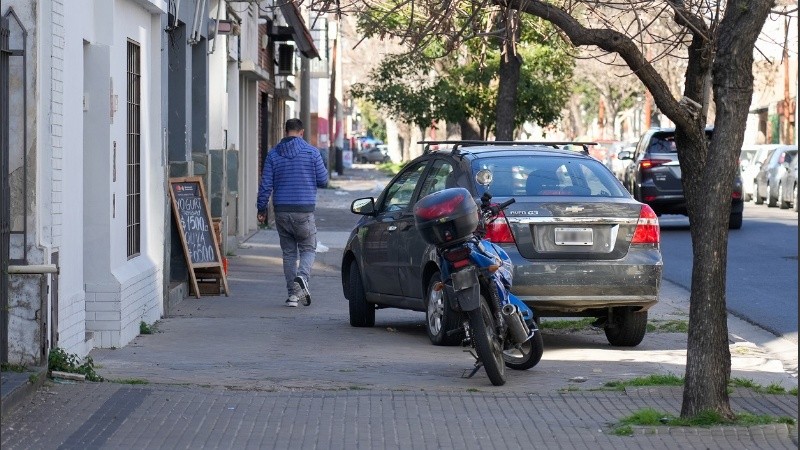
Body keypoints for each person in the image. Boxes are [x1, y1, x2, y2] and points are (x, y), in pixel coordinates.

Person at [257, 119, 328, 307]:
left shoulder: (273, 155)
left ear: (285, 130)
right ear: (302, 132)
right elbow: (323, 180)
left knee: (289, 254)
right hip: (304, 211)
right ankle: (302, 277)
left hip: (281, 211)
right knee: (308, 248)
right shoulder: (312, 152)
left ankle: (293, 296)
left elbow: (265, 185)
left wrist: (261, 208)